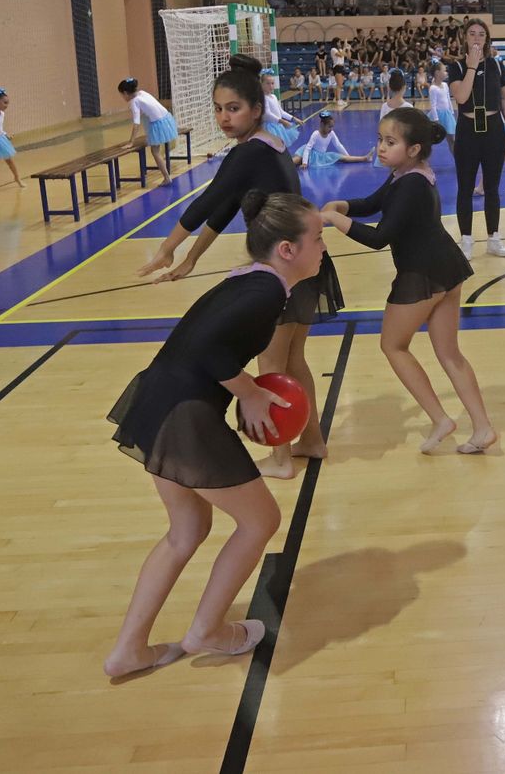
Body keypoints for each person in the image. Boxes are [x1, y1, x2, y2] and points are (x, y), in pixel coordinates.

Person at [103, 191, 325, 677]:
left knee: (186, 531)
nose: (323, 246)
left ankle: (128, 651)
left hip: (157, 403)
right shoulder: (265, 292)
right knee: (260, 520)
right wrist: (247, 391)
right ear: (287, 250)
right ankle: (207, 630)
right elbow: (206, 347)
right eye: (317, 238)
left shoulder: (251, 280)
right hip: (185, 415)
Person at [135, 55, 344, 480]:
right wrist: (190, 258)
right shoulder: (268, 145)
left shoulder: (249, 154)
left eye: (233, 108)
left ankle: (282, 458)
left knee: (272, 364)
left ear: (255, 109)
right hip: (301, 264)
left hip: (285, 270)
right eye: (218, 108)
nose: (223, 117)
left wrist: (168, 247)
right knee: (294, 360)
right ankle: (312, 440)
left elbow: (208, 201)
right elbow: (227, 207)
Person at [321, 108, 498, 455]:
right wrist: (343, 204)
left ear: (414, 148)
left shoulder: (412, 183)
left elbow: (379, 238)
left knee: (393, 345)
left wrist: (332, 219)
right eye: (380, 140)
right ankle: (483, 428)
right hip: (446, 268)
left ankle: (440, 419)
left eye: (390, 142)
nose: (381, 148)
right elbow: (374, 203)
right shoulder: (406, 173)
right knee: (449, 353)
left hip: (422, 274)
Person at [447, 19, 505, 258]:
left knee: (492, 188)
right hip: (468, 130)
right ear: (465, 38)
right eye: (472, 34)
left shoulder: (497, 65)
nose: (477, 38)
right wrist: (471, 66)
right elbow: (461, 96)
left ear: (487, 39)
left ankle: (494, 238)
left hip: (494, 130)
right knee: (465, 188)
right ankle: (466, 240)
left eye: (481, 34)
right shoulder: (456, 67)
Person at [120, 77, 179, 186]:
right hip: (166, 118)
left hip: (158, 123)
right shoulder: (141, 93)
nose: (122, 97)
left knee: (155, 152)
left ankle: (166, 177)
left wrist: (131, 142)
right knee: (156, 149)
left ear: (125, 93)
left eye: (122, 95)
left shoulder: (134, 102)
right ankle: (166, 175)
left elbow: (136, 124)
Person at [295, 112, 373, 168]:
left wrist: (347, 156)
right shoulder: (316, 134)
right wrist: (305, 163)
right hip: (309, 153)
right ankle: (284, 167)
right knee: (297, 160)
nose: (331, 129)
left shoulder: (331, 133)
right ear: (322, 125)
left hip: (322, 156)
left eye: (332, 127)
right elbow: (308, 148)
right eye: (329, 127)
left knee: (342, 157)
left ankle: (365, 158)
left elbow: (338, 145)